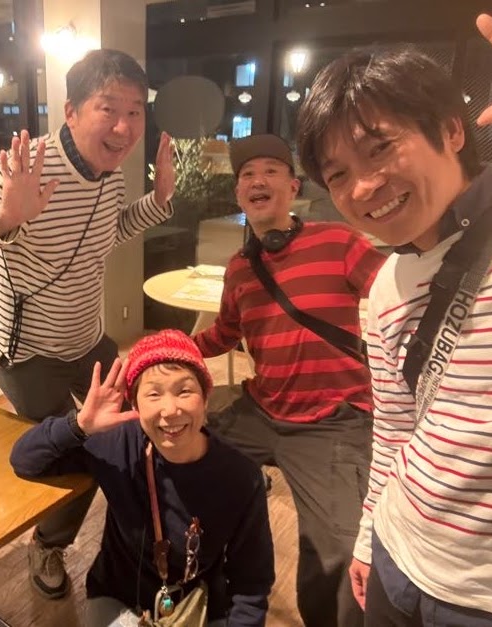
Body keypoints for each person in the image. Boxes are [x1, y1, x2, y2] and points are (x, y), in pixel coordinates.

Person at [295, 0, 492, 624]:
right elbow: (394, 428)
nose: (363, 187)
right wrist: (369, 537)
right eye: (338, 174)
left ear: (451, 131)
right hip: (399, 554)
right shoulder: (386, 285)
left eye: (380, 149)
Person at [0, 48, 175, 598]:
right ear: (70, 111)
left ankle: (145, 537)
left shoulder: (110, 170)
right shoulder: (26, 168)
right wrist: (4, 219)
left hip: (86, 337)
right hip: (26, 352)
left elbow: (104, 235)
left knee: (137, 424)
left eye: (135, 112)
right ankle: (48, 542)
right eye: (108, 108)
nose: (123, 127)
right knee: (77, 453)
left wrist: (157, 201)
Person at [192, 133, 384, 627]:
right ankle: (202, 576)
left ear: (293, 187)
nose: (258, 180)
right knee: (175, 439)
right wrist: (170, 351)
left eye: (271, 171)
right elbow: (224, 333)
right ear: (239, 194)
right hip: (262, 408)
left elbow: (398, 295)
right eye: (247, 175)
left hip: (332, 420)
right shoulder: (240, 268)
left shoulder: (338, 242)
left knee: (337, 553)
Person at [10, 330, 275, 626]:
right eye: (153, 394)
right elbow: (25, 461)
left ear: (205, 398)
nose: (170, 410)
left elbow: (252, 583)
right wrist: (79, 424)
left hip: (199, 603)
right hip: (120, 597)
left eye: (184, 391)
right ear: (135, 404)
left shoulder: (240, 476)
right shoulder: (116, 444)